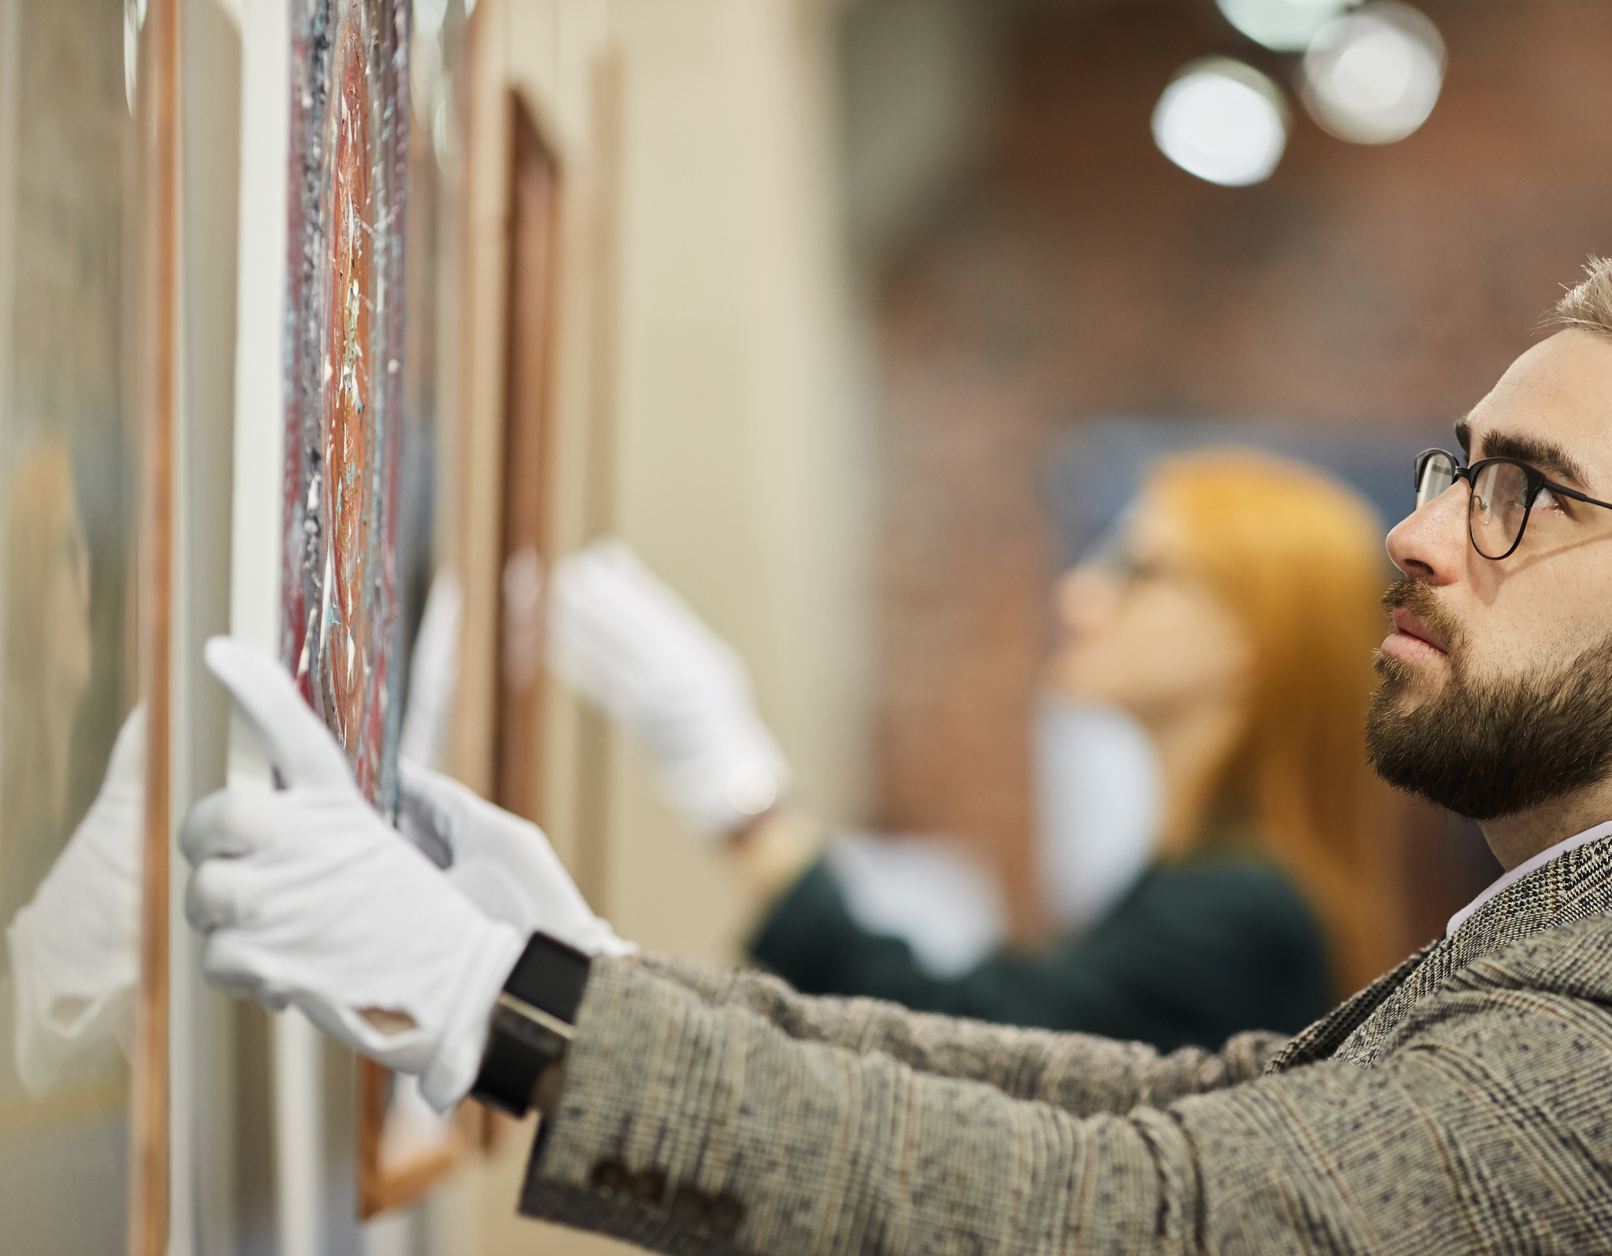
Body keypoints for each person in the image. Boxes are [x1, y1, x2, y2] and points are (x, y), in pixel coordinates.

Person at [182, 247, 1612, 1256]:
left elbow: (1150, 1232)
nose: (1414, 535)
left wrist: (518, 1010)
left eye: (1522, 493)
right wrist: (581, 987)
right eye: (1450, 463)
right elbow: (1152, 1101)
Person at [549, 452, 1394, 1063]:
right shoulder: (1214, 885)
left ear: (1250, 642)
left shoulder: (1241, 913)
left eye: (1137, 569)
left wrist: (732, 787)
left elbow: (964, 1041)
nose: (1079, 595)